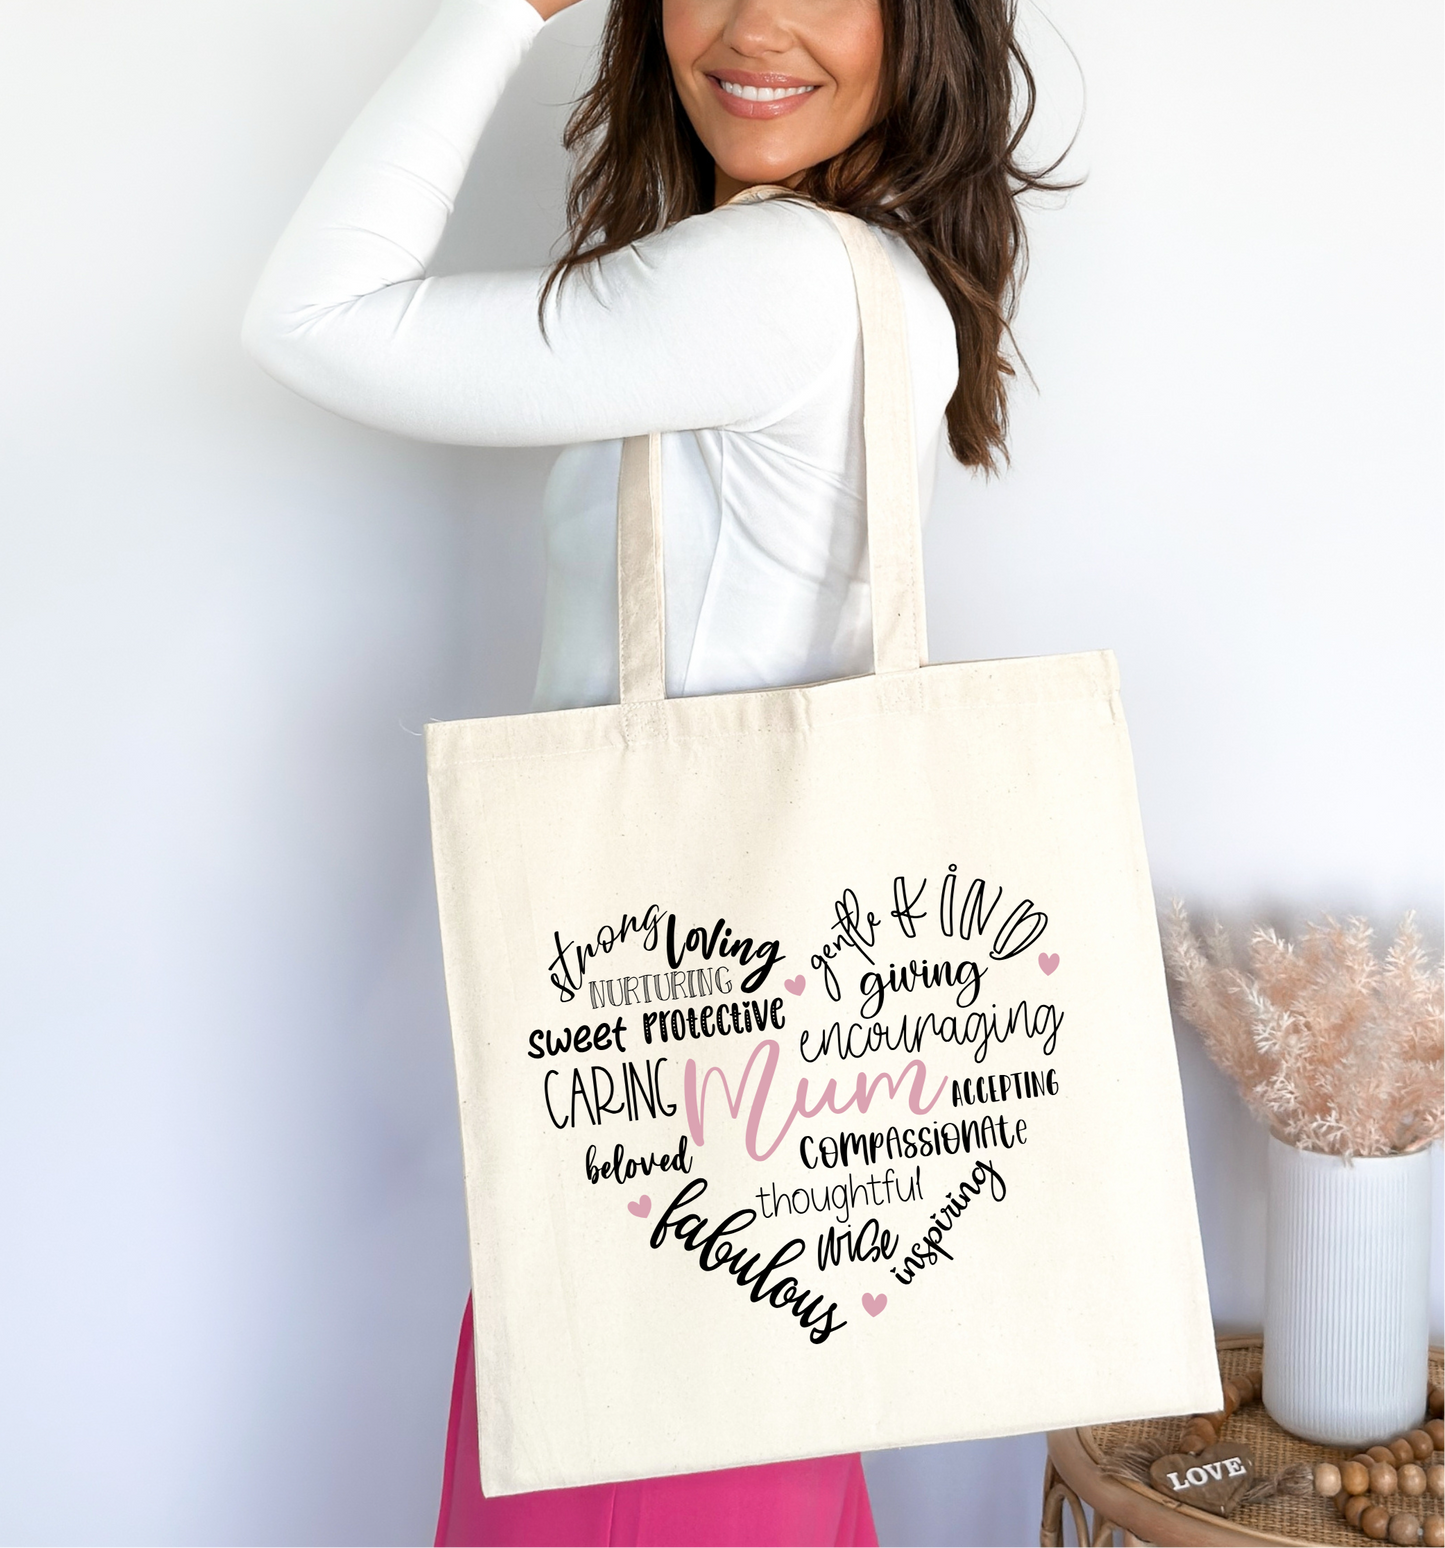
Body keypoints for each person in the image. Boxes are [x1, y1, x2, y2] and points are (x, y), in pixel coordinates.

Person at [244, 0, 1054, 1538]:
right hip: (786, 1126)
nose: (753, 25)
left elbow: (312, 316)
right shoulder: (889, 278)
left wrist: (496, 11)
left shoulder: (760, 278)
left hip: (663, 1131)